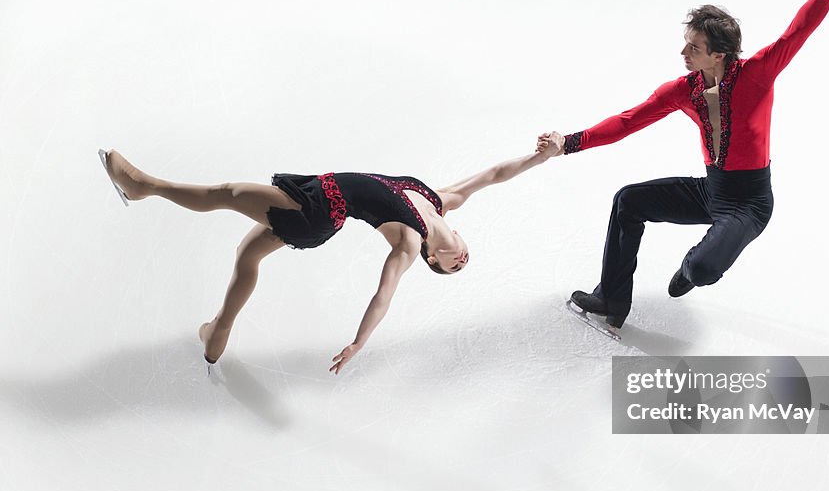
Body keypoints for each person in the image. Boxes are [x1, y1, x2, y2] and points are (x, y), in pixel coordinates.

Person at [538, 0, 829, 328]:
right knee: (628, 201)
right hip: (713, 191)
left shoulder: (757, 73)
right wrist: (570, 142)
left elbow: (798, 31)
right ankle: (611, 297)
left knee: (704, 268)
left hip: (750, 204)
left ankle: (691, 269)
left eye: (694, 47)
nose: (683, 52)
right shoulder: (682, 90)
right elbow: (628, 121)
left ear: (719, 54)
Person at [98, 142, 558, 373]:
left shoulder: (411, 243)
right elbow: (497, 173)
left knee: (226, 193)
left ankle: (143, 187)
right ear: (457, 237)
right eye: (463, 261)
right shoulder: (441, 199)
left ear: (434, 258)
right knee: (247, 253)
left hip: (318, 208)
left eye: (450, 268)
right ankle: (216, 332)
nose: (460, 262)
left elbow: (384, 295)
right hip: (318, 200)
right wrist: (543, 156)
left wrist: (359, 342)